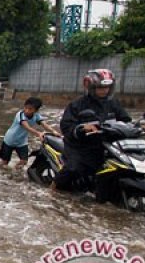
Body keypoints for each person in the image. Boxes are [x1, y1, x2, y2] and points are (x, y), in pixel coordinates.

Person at [53, 69, 131, 197]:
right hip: (80, 146)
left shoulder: (113, 103)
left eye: (107, 87)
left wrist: (138, 127)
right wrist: (82, 128)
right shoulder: (77, 105)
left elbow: (125, 120)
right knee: (74, 168)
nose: (104, 90)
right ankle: (53, 189)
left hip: (105, 145)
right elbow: (66, 126)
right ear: (90, 87)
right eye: (100, 87)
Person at [0, 97, 61, 169]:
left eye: (30, 109)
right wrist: (39, 134)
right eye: (26, 108)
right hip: (10, 140)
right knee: (5, 162)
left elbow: (44, 124)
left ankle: (14, 171)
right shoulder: (20, 114)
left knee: (24, 161)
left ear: (36, 110)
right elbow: (27, 127)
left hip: (21, 142)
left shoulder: (37, 116)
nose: (27, 110)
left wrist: (53, 131)